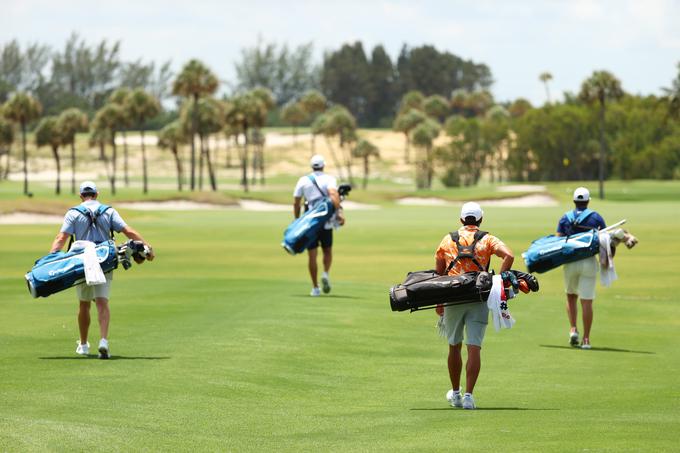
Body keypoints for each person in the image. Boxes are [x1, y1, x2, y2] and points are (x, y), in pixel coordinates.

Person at [49, 181, 154, 359]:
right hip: (104, 260)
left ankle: (83, 345)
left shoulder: (73, 213)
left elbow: (61, 238)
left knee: (84, 304)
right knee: (102, 302)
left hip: (81, 261)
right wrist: (147, 246)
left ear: (81, 195)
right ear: (97, 194)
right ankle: (103, 341)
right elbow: (128, 231)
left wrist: (51, 259)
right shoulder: (109, 211)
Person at [434, 202, 514, 409]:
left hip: (453, 297)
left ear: (461, 219)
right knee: (474, 347)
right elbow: (509, 255)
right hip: (479, 297)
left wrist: (439, 302)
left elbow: (439, 274)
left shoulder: (447, 239)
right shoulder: (488, 239)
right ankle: (469, 396)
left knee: (454, 345)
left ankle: (456, 394)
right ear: (480, 219)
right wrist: (501, 278)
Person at [555, 187, 606, 350]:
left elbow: (558, 242)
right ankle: (586, 339)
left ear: (574, 201)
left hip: (570, 263)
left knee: (571, 296)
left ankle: (573, 329)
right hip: (589, 262)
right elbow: (604, 240)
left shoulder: (565, 218)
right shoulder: (596, 217)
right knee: (587, 301)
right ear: (588, 201)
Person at [292, 155, 345, 297]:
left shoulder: (303, 180)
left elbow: (296, 203)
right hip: (326, 221)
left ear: (311, 166)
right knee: (327, 250)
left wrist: (297, 221)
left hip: (310, 223)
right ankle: (326, 274)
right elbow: (334, 196)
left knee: (312, 255)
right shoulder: (329, 179)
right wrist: (339, 212)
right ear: (323, 165)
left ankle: (315, 287)